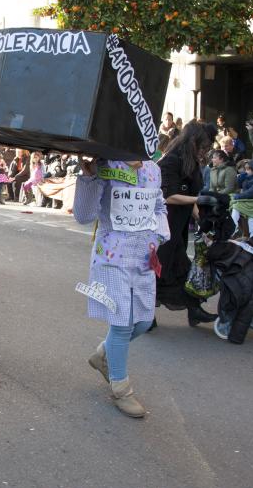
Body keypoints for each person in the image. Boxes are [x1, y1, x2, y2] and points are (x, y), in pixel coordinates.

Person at [75, 158, 169, 418]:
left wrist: (159, 236)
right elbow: (83, 216)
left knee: (143, 322)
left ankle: (103, 354)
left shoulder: (153, 168)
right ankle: (120, 389)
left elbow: (159, 206)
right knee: (122, 323)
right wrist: (90, 178)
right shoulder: (104, 164)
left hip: (144, 259)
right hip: (111, 258)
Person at [155, 122, 218, 326]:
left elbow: (190, 196)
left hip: (178, 226)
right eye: (203, 147)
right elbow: (168, 195)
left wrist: (202, 220)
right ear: (193, 142)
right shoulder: (171, 161)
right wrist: (198, 201)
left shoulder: (190, 162)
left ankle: (194, 311)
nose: (205, 152)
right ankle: (146, 316)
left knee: (181, 270)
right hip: (163, 227)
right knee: (158, 273)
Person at [230, 159, 253, 237]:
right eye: (246, 169)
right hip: (248, 200)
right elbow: (239, 185)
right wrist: (241, 176)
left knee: (239, 208)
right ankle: (234, 226)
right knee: (248, 215)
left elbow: (251, 192)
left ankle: (250, 233)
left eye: (248, 169)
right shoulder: (247, 177)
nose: (246, 171)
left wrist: (239, 196)